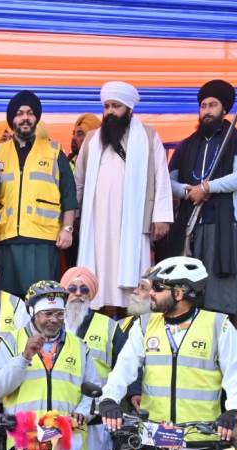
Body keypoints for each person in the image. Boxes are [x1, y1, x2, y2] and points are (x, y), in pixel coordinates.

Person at [98, 256, 237, 447]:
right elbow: (123, 368)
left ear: (179, 293)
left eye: (158, 287)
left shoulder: (219, 325)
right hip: (154, 435)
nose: (151, 292)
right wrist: (109, 398)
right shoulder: (144, 324)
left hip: (200, 437)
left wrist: (234, 410)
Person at [0, 280, 101, 450]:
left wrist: (84, 412)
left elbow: (94, 391)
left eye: (59, 314)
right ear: (32, 313)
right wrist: (24, 357)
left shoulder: (79, 346)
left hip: (68, 442)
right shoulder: (12, 341)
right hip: (25, 441)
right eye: (47, 314)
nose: (54, 320)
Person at [74, 82, 173, 314]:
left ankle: (132, 321)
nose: (109, 111)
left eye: (115, 106)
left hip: (133, 223)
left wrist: (161, 216)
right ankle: (104, 317)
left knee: (133, 274)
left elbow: (161, 177)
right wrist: (74, 218)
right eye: (107, 106)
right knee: (99, 272)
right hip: (97, 223)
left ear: (129, 109)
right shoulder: (92, 139)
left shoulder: (148, 136)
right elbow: (79, 180)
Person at [168, 80, 237, 317]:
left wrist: (207, 188)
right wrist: (188, 191)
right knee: (187, 287)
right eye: (203, 106)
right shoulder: (186, 144)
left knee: (220, 293)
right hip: (189, 224)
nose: (207, 111)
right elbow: (168, 182)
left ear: (224, 109)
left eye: (213, 105)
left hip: (223, 225)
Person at [60, 266, 129, 450]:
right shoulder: (51, 321)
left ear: (92, 295)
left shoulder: (109, 327)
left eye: (84, 290)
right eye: (72, 289)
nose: (77, 294)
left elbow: (125, 367)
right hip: (61, 419)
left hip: (97, 421)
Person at [0, 90, 78, 297]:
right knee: (9, 302)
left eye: (30, 113)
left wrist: (67, 229)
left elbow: (69, 196)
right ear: (12, 119)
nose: (25, 118)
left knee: (41, 301)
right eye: (19, 113)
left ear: (36, 118)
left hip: (43, 241)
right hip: (5, 238)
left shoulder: (54, 152)